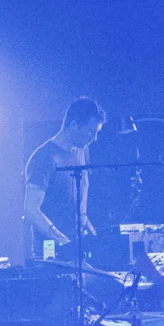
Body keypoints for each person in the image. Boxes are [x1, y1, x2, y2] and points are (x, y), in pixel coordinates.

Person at [24, 96, 105, 260]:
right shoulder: (44, 158)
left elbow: (80, 195)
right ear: (74, 125)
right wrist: (62, 241)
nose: (94, 138)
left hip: (77, 244)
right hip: (52, 249)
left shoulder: (82, 151)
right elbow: (30, 210)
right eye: (91, 132)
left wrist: (87, 225)